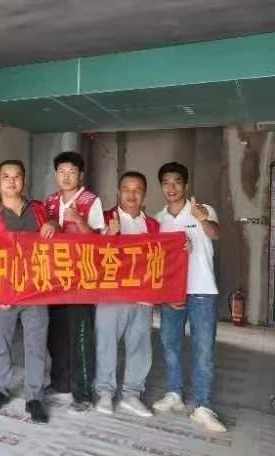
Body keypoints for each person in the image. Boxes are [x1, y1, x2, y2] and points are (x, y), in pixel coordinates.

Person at [152, 162, 226, 432]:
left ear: (186, 185)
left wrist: (202, 219)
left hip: (202, 290)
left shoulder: (202, 210)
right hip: (172, 291)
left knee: (203, 349)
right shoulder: (158, 219)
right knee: (170, 344)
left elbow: (216, 234)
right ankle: (175, 393)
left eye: (176, 182)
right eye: (166, 183)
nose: (171, 188)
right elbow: (156, 259)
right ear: (161, 187)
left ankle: (203, 406)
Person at [0, 160, 56, 423]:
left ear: (24, 180)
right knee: (0, 345)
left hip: (36, 290)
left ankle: (34, 397)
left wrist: (53, 224)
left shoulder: (39, 211)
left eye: (17, 176)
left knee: (36, 346)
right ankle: (0, 390)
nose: (12, 181)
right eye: (6, 176)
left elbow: (58, 240)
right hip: (3, 292)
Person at [43, 151, 106, 414]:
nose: (66, 176)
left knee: (80, 337)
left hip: (82, 280)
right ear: (56, 174)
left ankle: (83, 393)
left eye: (72, 172)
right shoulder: (49, 202)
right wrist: (50, 222)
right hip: (54, 279)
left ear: (80, 175)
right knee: (56, 335)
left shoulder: (91, 201)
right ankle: (60, 382)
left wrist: (79, 220)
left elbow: (99, 242)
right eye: (62, 172)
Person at [93, 171, 159, 418]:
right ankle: (105, 392)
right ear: (118, 192)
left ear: (144, 194)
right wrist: (109, 236)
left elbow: (162, 257)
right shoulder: (103, 218)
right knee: (106, 343)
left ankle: (132, 394)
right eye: (127, 189)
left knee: (140, 345)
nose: (132, 195)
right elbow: (90, 256)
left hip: (142, 295)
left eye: (137, 189)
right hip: (111, 294)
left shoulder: (153, 225)